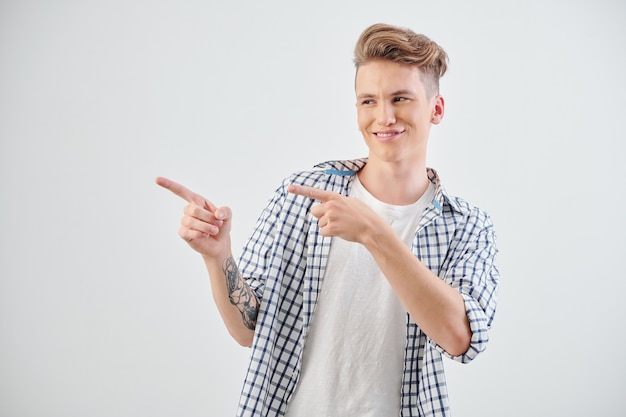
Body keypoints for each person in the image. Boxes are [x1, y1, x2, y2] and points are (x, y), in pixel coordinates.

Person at [156, 22, 499, 417]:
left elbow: (461, 339)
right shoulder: (300, 195)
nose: (384, 116)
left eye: (400, 98)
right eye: (368, 101)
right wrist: (218, 258)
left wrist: (374, 234)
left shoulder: (467, 226)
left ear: (436, 109)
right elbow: (248, 331)